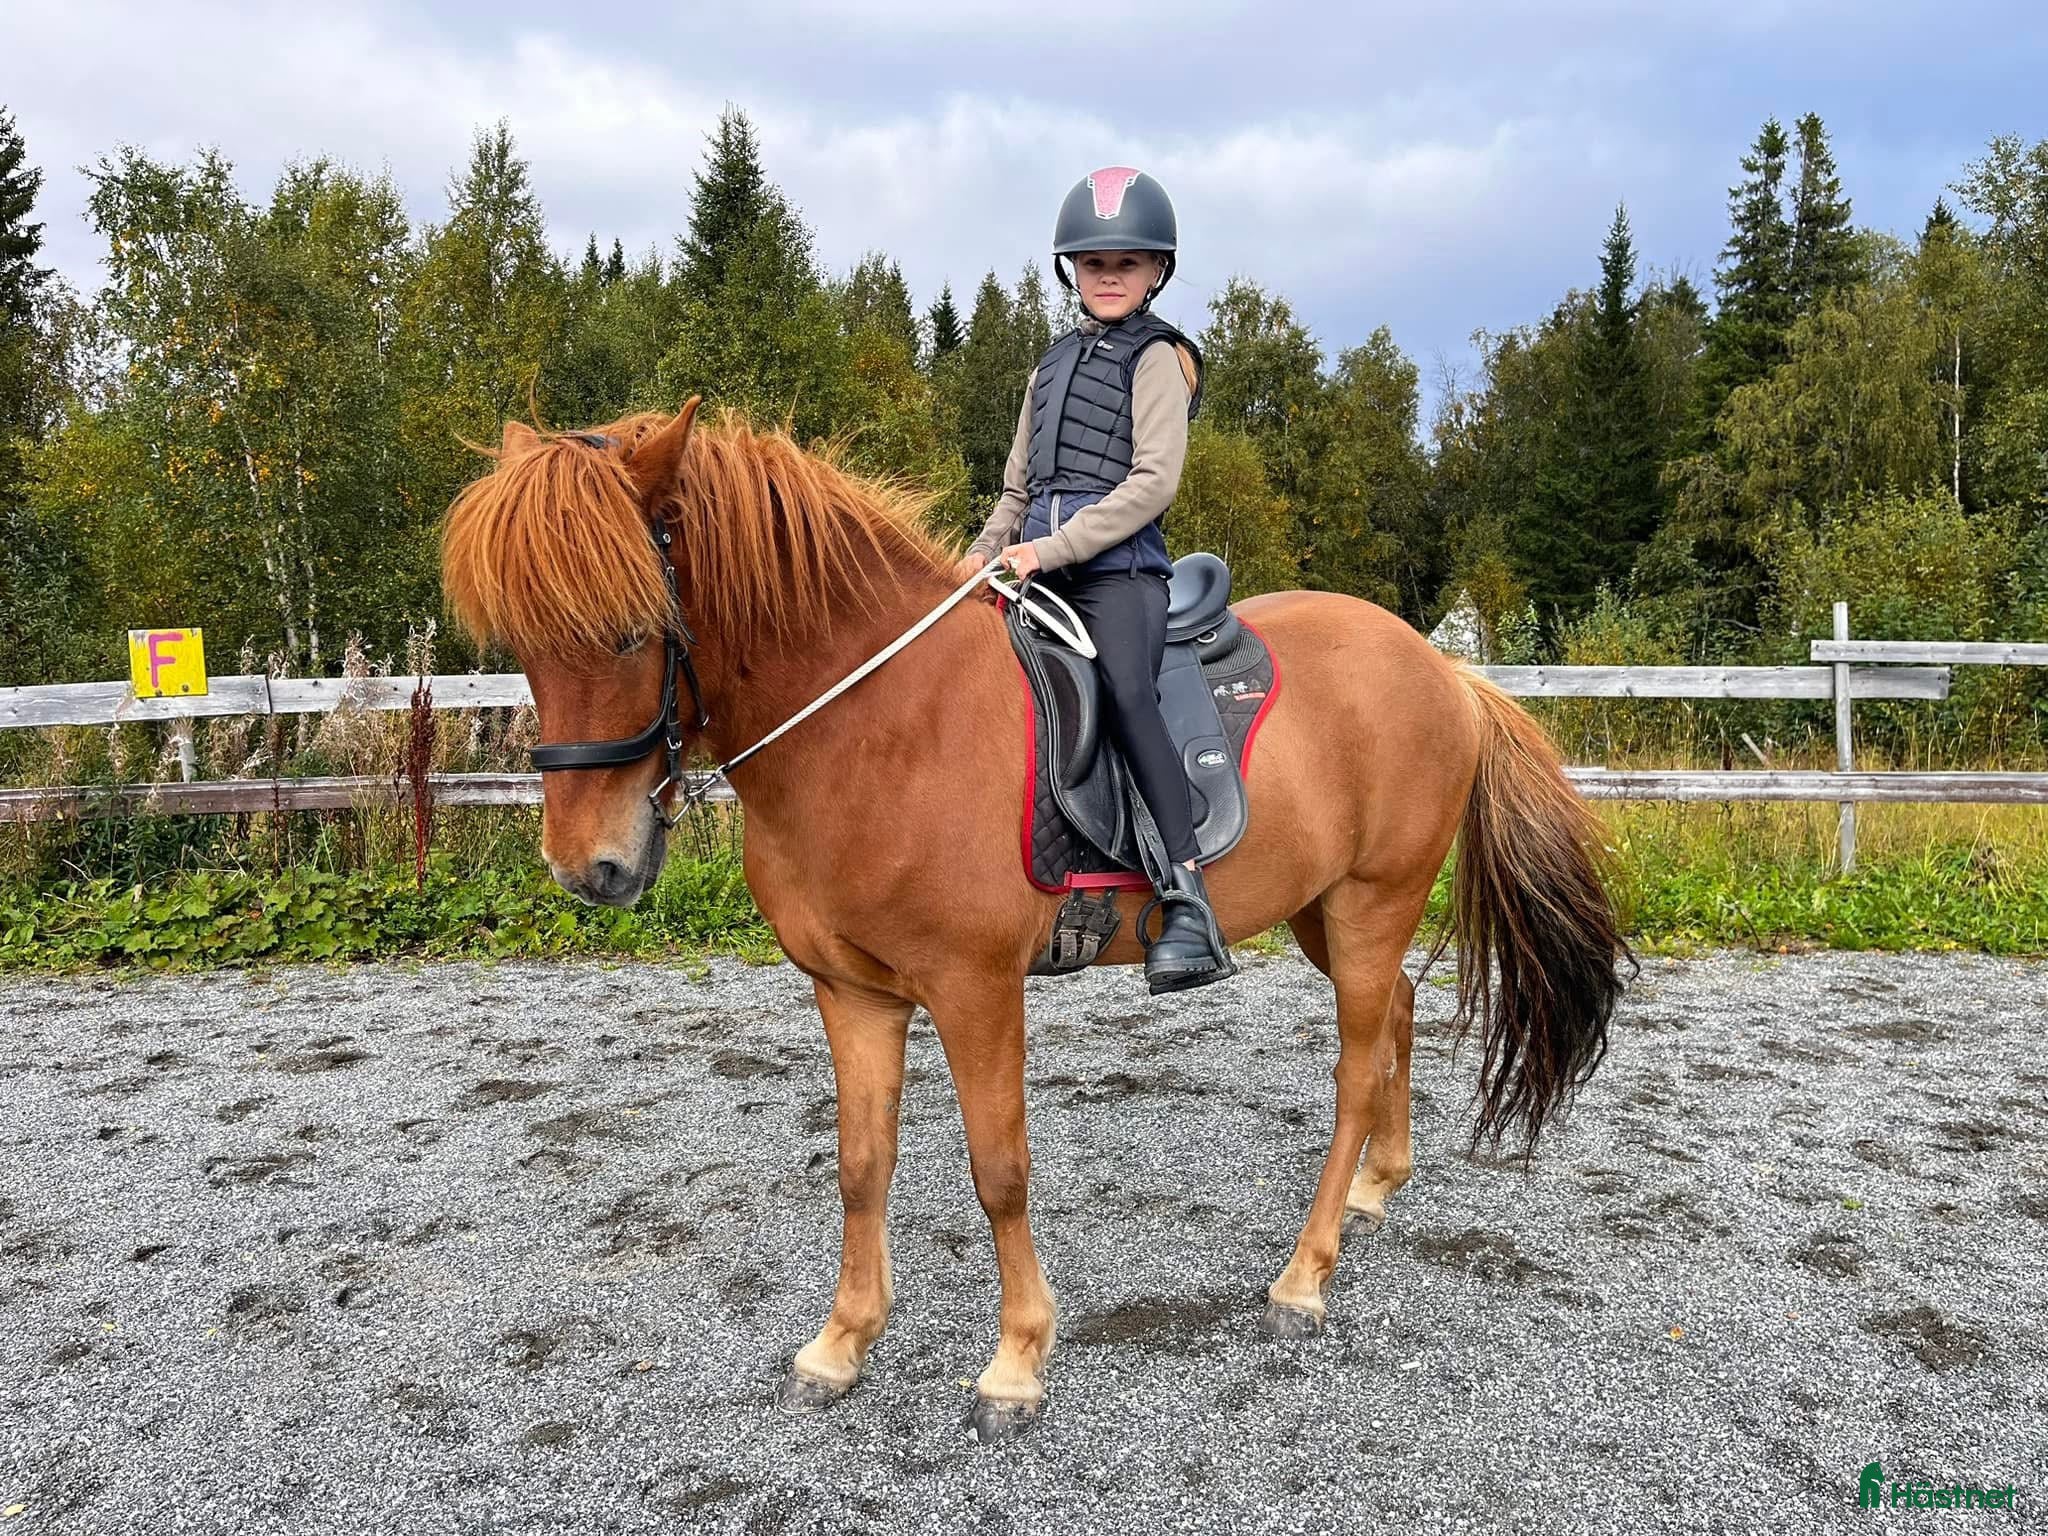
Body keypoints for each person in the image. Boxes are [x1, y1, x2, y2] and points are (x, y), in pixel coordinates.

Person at [955, 167, 1235, 994]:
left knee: (1124, 691)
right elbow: (1016, 492)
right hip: (1032, 569)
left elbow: (1153, 483)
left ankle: (1187, 895)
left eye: (1127, 263)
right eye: (1092, 262)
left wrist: (1053, 549)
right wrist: (978, 555)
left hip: (1119, 576)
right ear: (1071, 271)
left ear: (1156, 273)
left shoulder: (1160, 360)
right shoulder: (1047, 369)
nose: (1108, 276)